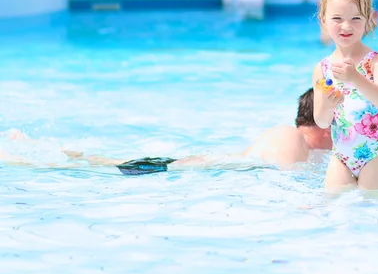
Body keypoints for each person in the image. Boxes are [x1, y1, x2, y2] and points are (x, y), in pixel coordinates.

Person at [0, 88, 333, 173]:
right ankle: (24, 157)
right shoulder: (292, 138)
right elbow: (291, 184)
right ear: (321, 120)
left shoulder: (295, 140)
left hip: (178, 168)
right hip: (170, 173)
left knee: (100, 161)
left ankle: (34, 149)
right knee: (98, 166)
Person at [312, 0, 378, 192]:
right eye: (337, 18)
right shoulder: (322, 68)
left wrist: (355, 78)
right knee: (334, 205)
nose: (346, 26)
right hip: (341, 155)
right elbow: (321, 122)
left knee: (374, 205)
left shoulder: (377, 61)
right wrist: (329, 106)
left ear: (368, 20)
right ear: (323, 21)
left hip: (376, 153)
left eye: (356, 18)